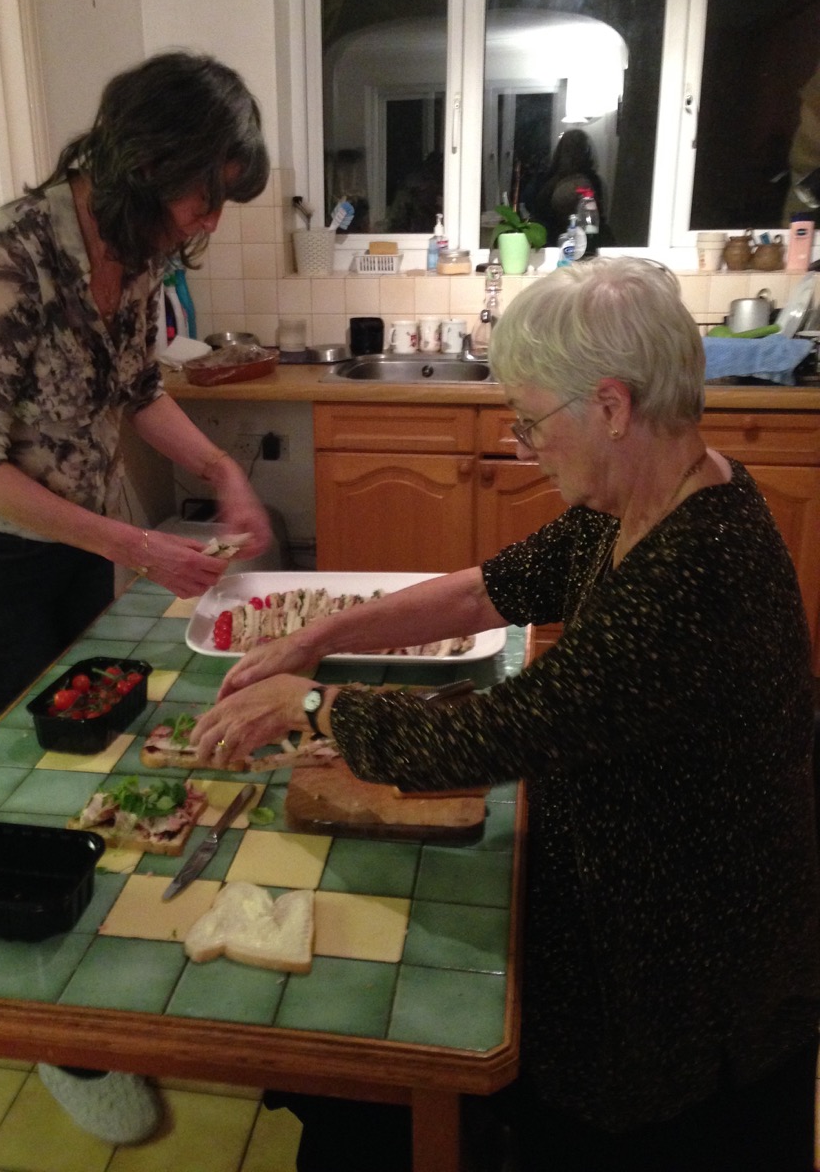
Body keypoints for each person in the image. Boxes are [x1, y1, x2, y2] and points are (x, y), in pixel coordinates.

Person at [190, 256, 820, 1172]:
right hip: (634, 912)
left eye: (530, 420)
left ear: (610, 406)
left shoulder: (695, 571)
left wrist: (314, 705)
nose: (524, 444)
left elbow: (500, 732)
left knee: (386, 1093)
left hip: (685, 992)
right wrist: (311, 637)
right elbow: (488, 591)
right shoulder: (644, 498)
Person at [0, 49, 273, 1147]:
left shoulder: (134, 253)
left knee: (101, 760)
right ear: (147, 160)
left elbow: (136, 388)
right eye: (205, 190)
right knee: (28, 782)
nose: (207, 219)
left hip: (71, 546)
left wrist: (218, 470)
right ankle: (57, 1034)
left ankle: (101, 973)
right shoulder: (8, 260)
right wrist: (134, 539)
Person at [531, 127, 612, 250]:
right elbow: (537, 212)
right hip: (555, 245)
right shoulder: (549, 179)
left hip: (582, 244)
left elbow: (597, 218)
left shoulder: (592, 180)